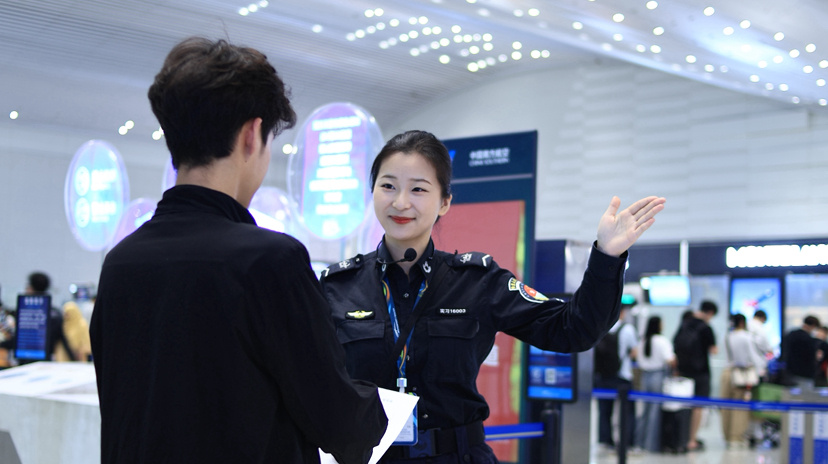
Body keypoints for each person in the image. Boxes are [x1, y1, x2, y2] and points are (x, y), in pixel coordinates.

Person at [89, 37, 387, 464]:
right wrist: (373, 404)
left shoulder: (121, 261)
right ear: (251, 135)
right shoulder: (269, 260)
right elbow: (338, 422)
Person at [319, 130, 666, 462]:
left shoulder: (476, 281)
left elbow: (572, 329)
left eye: (418, 189)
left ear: (445, 202)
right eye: (388, 186)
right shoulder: (336, 286)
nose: (401, 202)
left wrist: (607, 257)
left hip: (458, 456)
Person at [673, 300, 718, 452]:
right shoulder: (706, 328)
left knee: (683, 405)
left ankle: (681, 437)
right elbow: (714, 350)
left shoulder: (685, 324)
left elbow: (675, 343)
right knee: (697, 407)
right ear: (710, 313)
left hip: (683, 372)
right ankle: (692, 440)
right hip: (701, 372)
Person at [595, 305, 638, 451]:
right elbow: (635, 352)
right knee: (627, 412)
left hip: (603, 376)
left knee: (604, 411)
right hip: (622, 375)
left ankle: (605, 440)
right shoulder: (628, 329)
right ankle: (627, 441)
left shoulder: (601, 328)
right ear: (622, 313)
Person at [634, 315, 675, 452]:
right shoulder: (662, 341)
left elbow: (637, 358)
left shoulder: (643, 340)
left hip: (644, 376)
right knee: (654, 411)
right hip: (657, 375)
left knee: (644, 411)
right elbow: (670, 360)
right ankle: (651, 445)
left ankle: (639, 442)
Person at [720, 314, 760, 449]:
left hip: (727, 372)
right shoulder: (747, 337)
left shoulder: (727, 336)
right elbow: (753, 357)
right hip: (742, 374)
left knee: (726, 407)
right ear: (742, 322)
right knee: (740, 407)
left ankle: (727, 435)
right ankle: (736, 437)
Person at [25, 272, 74, 362]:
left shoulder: (26, 313)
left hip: (26, 359)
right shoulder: (55, 313)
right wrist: (73, 359)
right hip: (47, 360)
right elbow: (63, 339)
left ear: (31, 288)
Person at [780, 315, 821, 389]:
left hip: (789, 372)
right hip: (804, 375)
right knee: (805, 395)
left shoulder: (791, 334)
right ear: (813, 326)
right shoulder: (809, 340)